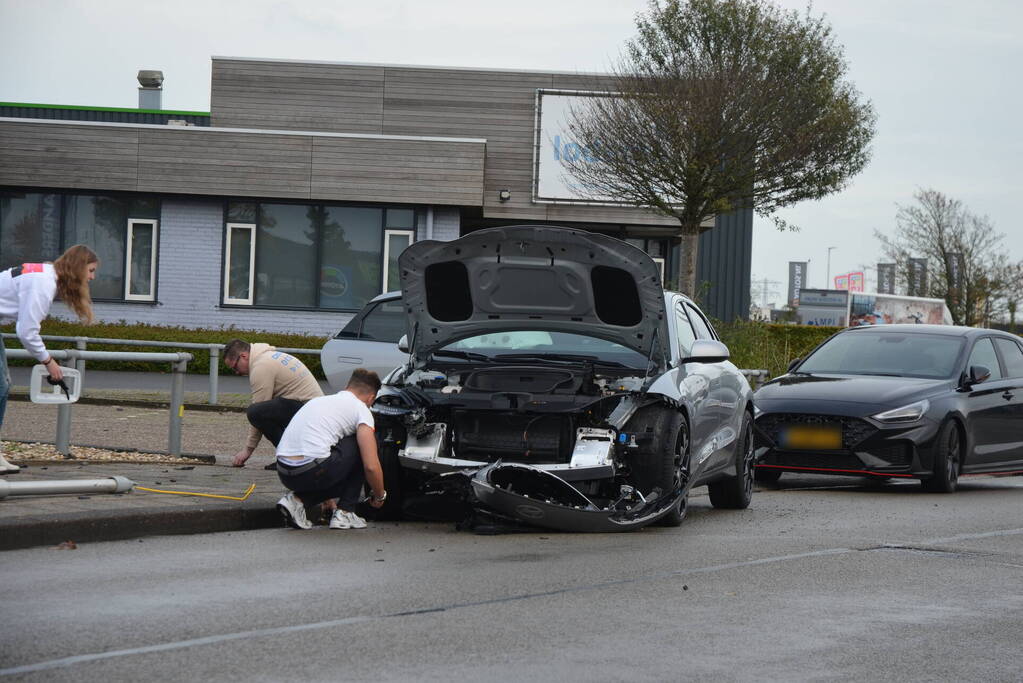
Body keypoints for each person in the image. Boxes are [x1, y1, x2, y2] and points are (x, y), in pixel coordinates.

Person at [0, 245, 98, 474]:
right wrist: (48, 361)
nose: (92, 277)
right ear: (78, 267)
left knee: (2, 386)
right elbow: (26, 332)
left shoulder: (45, 274)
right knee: (0, 386)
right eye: (91, 270)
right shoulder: (44, 283)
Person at [273, 368, 386, 530]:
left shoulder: (319, 401)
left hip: (284, 471)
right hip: (312, 470)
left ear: (348, 386)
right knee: (367, 445)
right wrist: (379, 495)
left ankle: (297, 500)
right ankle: (345, 513)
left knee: (345, 455)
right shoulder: (361, 409)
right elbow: (371, 466)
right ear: (371, 398)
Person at [223, 339, 323, 468]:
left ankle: (290, 459)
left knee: (255, 413)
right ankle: (294, 455)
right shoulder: (270, 356)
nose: (237, 372)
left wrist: (248, 450)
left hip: (310, 416)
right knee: (266, 410)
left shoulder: (261, 366)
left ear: (243, 356)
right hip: (314, 412)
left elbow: (259, 412)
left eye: (235, 367)